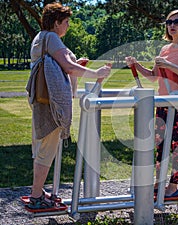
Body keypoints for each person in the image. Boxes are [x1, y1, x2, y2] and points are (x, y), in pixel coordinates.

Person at [25, 2, 111, 210]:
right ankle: (36, 196)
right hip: (51, 103)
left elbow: (60, 65)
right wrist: (96, 74)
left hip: (41, 100)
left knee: (41, 147)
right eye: (66, 22)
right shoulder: (51, 37)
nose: (68, 26)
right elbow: (67, 66)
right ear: (56, 23)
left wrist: (74, 64)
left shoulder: (40, 38)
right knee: (47, 149)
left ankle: (38, 190)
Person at [125, 10, 178, 197]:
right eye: (168, 22)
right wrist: (136, 65)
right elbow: (152, 76)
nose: (172, 25)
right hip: (163, 103)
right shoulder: (164, 50)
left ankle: (172, 188)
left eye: (176, 22)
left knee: (177, 145)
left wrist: (169, 65)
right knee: (160, 144)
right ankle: (159, 184)